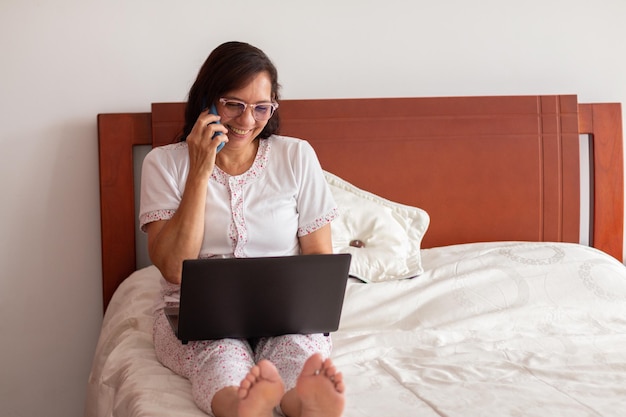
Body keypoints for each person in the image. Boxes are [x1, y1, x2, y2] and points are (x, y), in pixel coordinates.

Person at [139, 41, 345, 417]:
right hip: (195, 316)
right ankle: (240, 405)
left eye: (261, 107)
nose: (247, 121)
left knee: (298, 349)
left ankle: (305, 403)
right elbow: (172, 267)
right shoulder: (163, 164)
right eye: (234, 104)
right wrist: (201, 169)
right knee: (218, 357)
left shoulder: (296, 156)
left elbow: (319, 256)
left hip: (285, 312)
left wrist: (300, 313)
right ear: (208, 101)